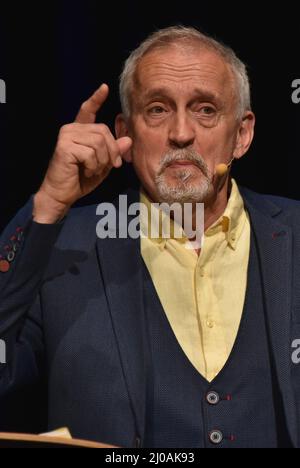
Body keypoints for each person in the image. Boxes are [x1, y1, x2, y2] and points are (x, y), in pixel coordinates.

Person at [0, 25, 299, 448]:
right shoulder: (64, 248)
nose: (180, 133)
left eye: (206, 110)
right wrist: (48, 203)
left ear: (242, 134)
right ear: (125, 132)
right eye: (157, 109)